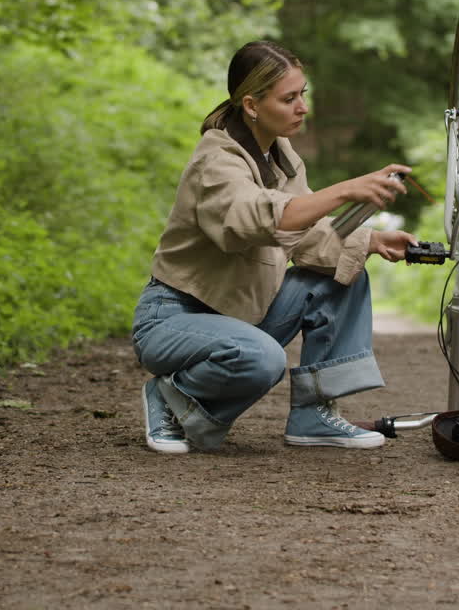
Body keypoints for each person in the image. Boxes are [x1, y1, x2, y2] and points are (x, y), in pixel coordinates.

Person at [131, 40, 416, 454]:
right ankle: (169, 398)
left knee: (343, 275)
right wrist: (346, 189)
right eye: (289, 98)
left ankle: (313, 415)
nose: (303, 107)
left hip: (240, 313)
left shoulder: (281, 156)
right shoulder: (218, 159)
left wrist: (370, 240)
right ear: (251, 104)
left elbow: (304, 231)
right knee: (263, 358)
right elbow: (256, 219)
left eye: (304, 94)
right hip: (174, 317)